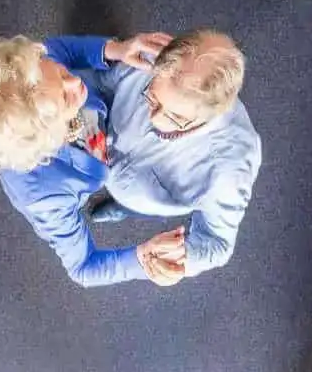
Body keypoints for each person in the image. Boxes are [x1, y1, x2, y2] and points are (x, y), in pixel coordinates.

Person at [0, 33, 188, 287]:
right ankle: (126, 205)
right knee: (152, 195)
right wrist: (141, 259)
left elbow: (60, 50)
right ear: (49, 138)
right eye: (64, 98)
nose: (76, 81)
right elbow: (83, 268)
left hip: (101, 114)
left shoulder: (36, 73)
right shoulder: (45, 198)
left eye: (61, 73)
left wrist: (116, 49)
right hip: (94, 162)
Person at [94, 29, 261, 279]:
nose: (156, 119)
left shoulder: (230, 170)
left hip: (142, 198)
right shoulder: (151, 57)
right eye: (152, 99)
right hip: (101, 143)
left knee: (136, 204)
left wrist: (183, 263)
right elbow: (104, 84)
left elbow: (218, 244)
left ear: (214, 112)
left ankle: (123, 207)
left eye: (176, 117)